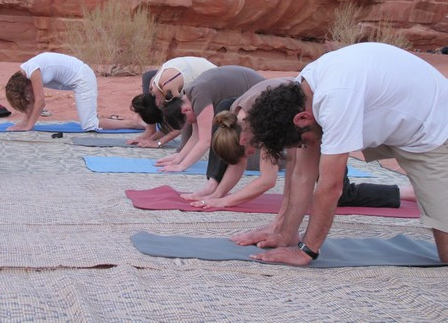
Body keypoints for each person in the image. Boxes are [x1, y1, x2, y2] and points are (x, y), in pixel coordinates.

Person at [241, 42, 448, 265]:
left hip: (433, 128)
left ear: (302, 118)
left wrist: (306, 251)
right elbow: (302, 173)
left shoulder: (335, 99)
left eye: (304, 141)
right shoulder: (301, 90)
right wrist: (285, 233)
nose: (308, 145)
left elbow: (331, 187)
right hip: (397, 116)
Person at [183, 77, 415, 212]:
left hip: (319, 124)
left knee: (341, 194)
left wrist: (224, 201)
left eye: (249, 150)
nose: (251, 153)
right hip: (307, 121)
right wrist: (217, 195)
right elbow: (237, 163)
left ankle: (408, 192)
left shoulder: (258, 120)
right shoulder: (237, 119)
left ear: (244, 140)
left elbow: (267, 180)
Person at [156, 65, 264, 173]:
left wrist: (181, 167)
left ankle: (276, 159)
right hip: (248, 88)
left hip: (259, 92)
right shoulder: (189, 96)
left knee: (247, 162)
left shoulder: (200, 96)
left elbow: (205, 141)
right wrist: (178, 159)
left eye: (189, 121)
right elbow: (195, 136)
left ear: (185, 111)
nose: (192, 122)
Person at [4, 52, 144, 131]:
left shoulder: (33, 71)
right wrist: (24, 122)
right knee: (89, 120)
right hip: (75, 80)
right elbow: (32, 100)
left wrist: (28, 126)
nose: (29, 94)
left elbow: (40, 102)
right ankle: (132, 122)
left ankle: (133, 123)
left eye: (26, 93)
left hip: (83, 78)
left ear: (23, 86)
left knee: (90, 125)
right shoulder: (25, 73)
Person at [127, 57, 217, 148]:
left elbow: (181, 122)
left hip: (213, 76)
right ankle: (149, 132)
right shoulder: (153, 85)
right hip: (193, 66)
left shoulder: (169, 88)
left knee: (189, 115)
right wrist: (150, 139)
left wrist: (158, 143)